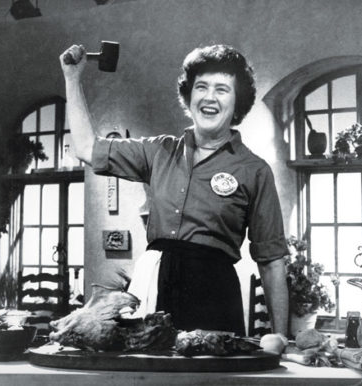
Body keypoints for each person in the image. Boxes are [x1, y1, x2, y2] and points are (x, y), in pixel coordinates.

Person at [59, 43, 289, 343]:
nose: (209, 97)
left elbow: (271, 263)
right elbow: (87, 147)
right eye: (201, 87)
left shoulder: (254, 170)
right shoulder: (158, 151)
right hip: (154, 284)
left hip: (215, 294)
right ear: (189, 95)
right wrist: (72, 78)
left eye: (222, 89)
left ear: (238, 102)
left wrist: (281, 337)